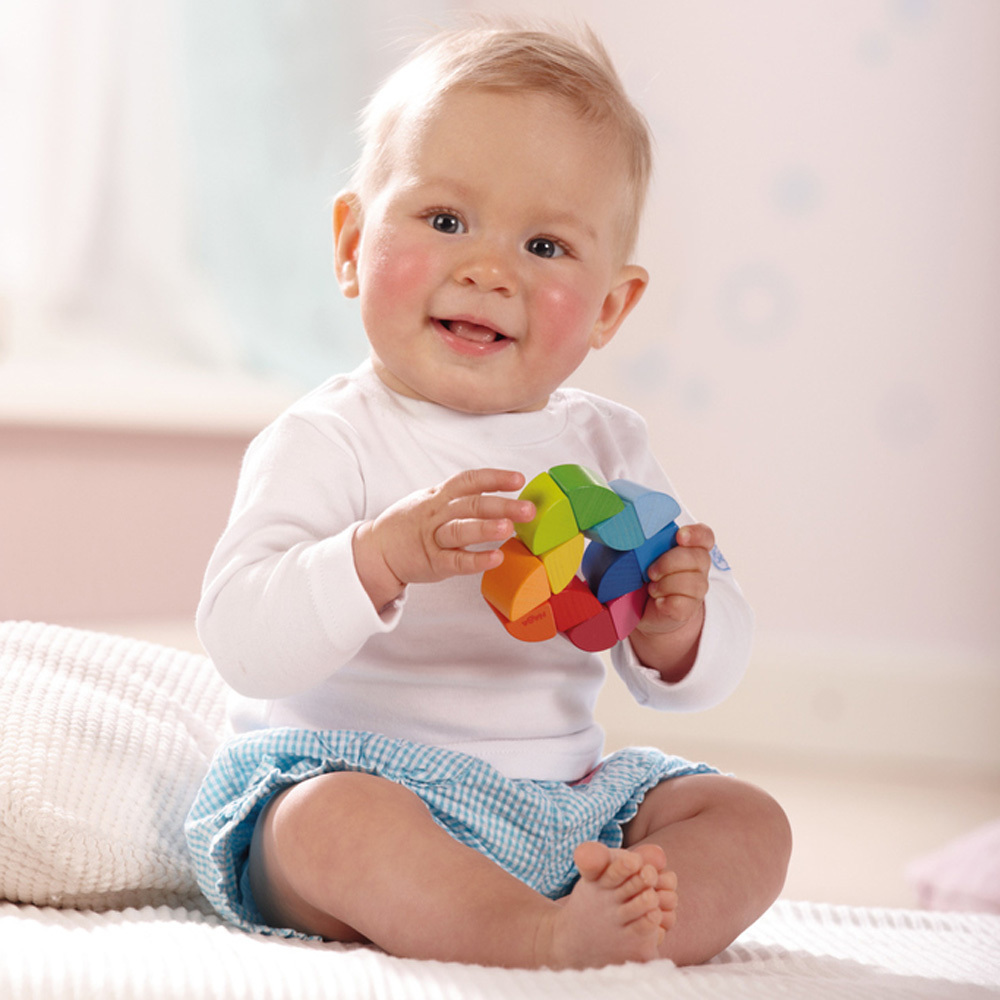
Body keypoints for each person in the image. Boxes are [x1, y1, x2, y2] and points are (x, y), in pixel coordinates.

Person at [185, 19, 791, 971]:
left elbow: (690, 672)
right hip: (357, 781)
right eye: (445, 221)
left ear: (607, 309)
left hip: (562, 803)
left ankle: (628, 921)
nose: (488, 269)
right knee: (327, 826)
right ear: (351, 244)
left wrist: (678, 633)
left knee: (747, 821)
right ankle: (537, 938)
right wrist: (376, 558)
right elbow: (240, 639)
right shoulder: (327, 438)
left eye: (545, 244)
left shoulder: (607, 448)